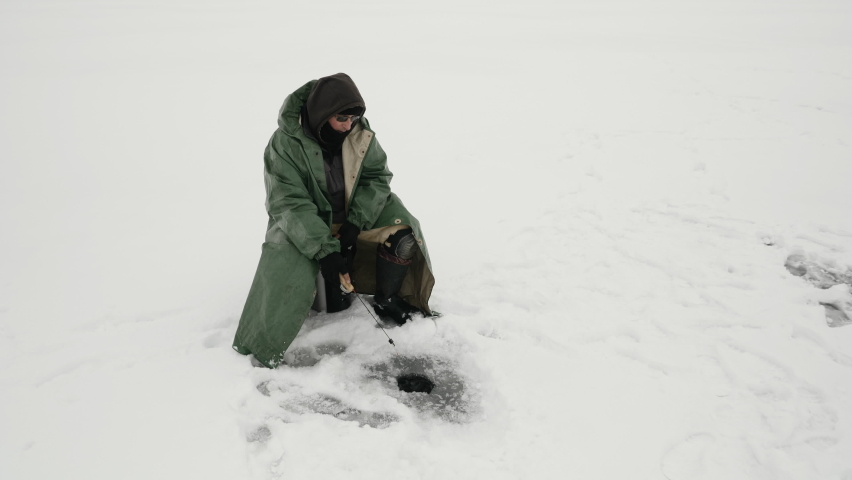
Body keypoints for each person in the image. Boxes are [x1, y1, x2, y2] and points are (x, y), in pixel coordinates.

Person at [232, 73, 435, 368]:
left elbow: (376, 178)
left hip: (353, 212)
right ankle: (265, 342)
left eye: (354, 118)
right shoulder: (284, 144)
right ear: (322, 114)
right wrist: (325, 250)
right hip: (305, 222)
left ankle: (388, 297)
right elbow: (287, 202)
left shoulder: (360, 135)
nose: (349, 125)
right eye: (342, 118)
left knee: (404, 232)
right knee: (292, 262)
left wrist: (355, 222)